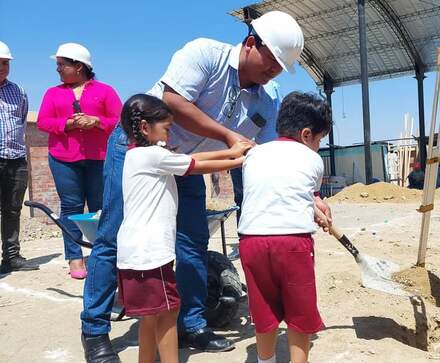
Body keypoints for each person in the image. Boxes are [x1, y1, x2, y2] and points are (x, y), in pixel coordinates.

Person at [80, 11, 329, 361]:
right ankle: (95, 330)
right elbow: (173, 102)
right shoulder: (204, 54)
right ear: (250, 43)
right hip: (140, 151)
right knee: (113, 235)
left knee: (192, 242)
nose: (273, 73)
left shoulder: (267, 99)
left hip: (190, 165)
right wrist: (228, 136)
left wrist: (311, 196)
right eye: (271, 63)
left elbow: (277, 153)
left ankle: (191, 323)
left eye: (279, 69)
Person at [117, 94, 251, 363]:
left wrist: (231, 151)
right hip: (150, 253)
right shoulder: (153, 156)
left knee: (150, 318)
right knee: (168, 315)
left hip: (135, 253)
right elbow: (196, 165)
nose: (168, 135)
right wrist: (241, 161)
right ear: (145, 127)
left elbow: (190, 157)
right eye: (166, 129)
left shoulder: (139, 155)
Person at [237, 92, 332, 363]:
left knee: (263, 308)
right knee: (299, 311)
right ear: (306, 135)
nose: (318, 146)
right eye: (319, 139)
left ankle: (264, 360)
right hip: (292, 242)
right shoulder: (313, 160)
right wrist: (319, 209)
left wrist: (316, 208)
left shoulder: (254, 155)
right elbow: (307, 196)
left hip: (251, 241)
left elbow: (282, 192)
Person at [37, 43, 121, 279]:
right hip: (63, 158)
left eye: (61, 65)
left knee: (99, 208)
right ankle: (74, 257)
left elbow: (119, 119)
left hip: (99, 158)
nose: (58, 69)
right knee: (71, 207)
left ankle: (99, 255)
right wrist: (68, 124)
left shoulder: (105, 91)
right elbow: (43, 122)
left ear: (79, 66)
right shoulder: (52, 93)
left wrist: (96, 121)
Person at [0, 41, 38, 274]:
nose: (2, 67)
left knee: (12, 210)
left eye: (5, 63)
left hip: (16, 159)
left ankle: (11, 257)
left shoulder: (18, 91)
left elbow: (22, 121)